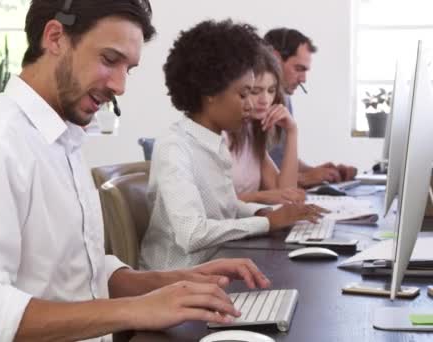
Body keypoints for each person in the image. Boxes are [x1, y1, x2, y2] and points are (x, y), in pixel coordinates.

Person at [0, 2, 271, 341]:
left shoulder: (58, 140)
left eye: (127, 69)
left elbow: (79, 273)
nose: (120, 86)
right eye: (109, 60)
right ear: (55, 37)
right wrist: (135, 311)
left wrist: (175, 281)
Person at [138, 20, 326, 272]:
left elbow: (226, 206)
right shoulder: (175, 147)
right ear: (210, 92)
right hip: (175, 280)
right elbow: (192, 233)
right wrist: (268, 222)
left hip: (213, 268)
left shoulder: (213, 142)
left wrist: (266, 213)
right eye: (244, 94)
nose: (251, 104)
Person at [263, 28, 358, 188]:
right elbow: (255, 174)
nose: (303, 79)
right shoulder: (255, 104)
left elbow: (279, 158)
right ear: (275, 58)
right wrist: (304, 178)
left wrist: (316, 171)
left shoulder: (284, 99)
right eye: (299, 69)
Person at [228, 44, 305, 205]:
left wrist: (292, 131)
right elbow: (212, 207)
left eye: (271, 90)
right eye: (256, 91)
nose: (265, 100)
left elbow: (285, 195)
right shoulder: (220, 133)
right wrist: (259, 197)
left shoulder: (249, 132)